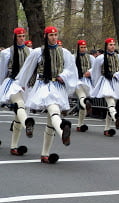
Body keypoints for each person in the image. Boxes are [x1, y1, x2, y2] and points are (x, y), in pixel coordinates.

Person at [16, 26, 77, 164]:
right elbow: (28, 68)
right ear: (46, 36)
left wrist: (63, 76)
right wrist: (23, 84)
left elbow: (71, 70)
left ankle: (45, 154)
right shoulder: (38, 52)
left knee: (51, 121)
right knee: (54, 110)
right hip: (44, 85)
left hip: (58, 85)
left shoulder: (65, 52)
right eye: (51, 35)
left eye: (55, 35)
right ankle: (63, 132)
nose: (54, 37)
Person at [0, 27, 35, 156]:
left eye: (23, 36)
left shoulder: (31, 52)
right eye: (19, 36)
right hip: (12, 83)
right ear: (15, 38)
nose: (22, 38)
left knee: (19, 115)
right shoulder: (7, 53)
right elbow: (2, 71)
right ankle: (28, 125)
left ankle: (14, 146)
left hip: (25, 85)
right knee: (19, 104)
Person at [91, 38, 119, 136]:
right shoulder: (100, 58)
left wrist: (117, 74)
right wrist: (96, 84)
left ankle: (107, 129)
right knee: (110, 102)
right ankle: (116, 118)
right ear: (106, 46)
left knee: (111, 106)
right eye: (110, 45)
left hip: (115, 82)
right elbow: (95, 71)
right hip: (105, 81)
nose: (112, 46)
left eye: (113, 44)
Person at [74, 40, 95, 132]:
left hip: (87, 81)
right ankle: (86, 104)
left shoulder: (90, 58)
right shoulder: (73, 57)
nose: (83, 49)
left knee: (83, 99)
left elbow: (95, 68)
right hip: (77, 81)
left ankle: (80, 124)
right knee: (82, 96)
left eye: (84, 47)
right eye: (81, 47)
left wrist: (89, 72)